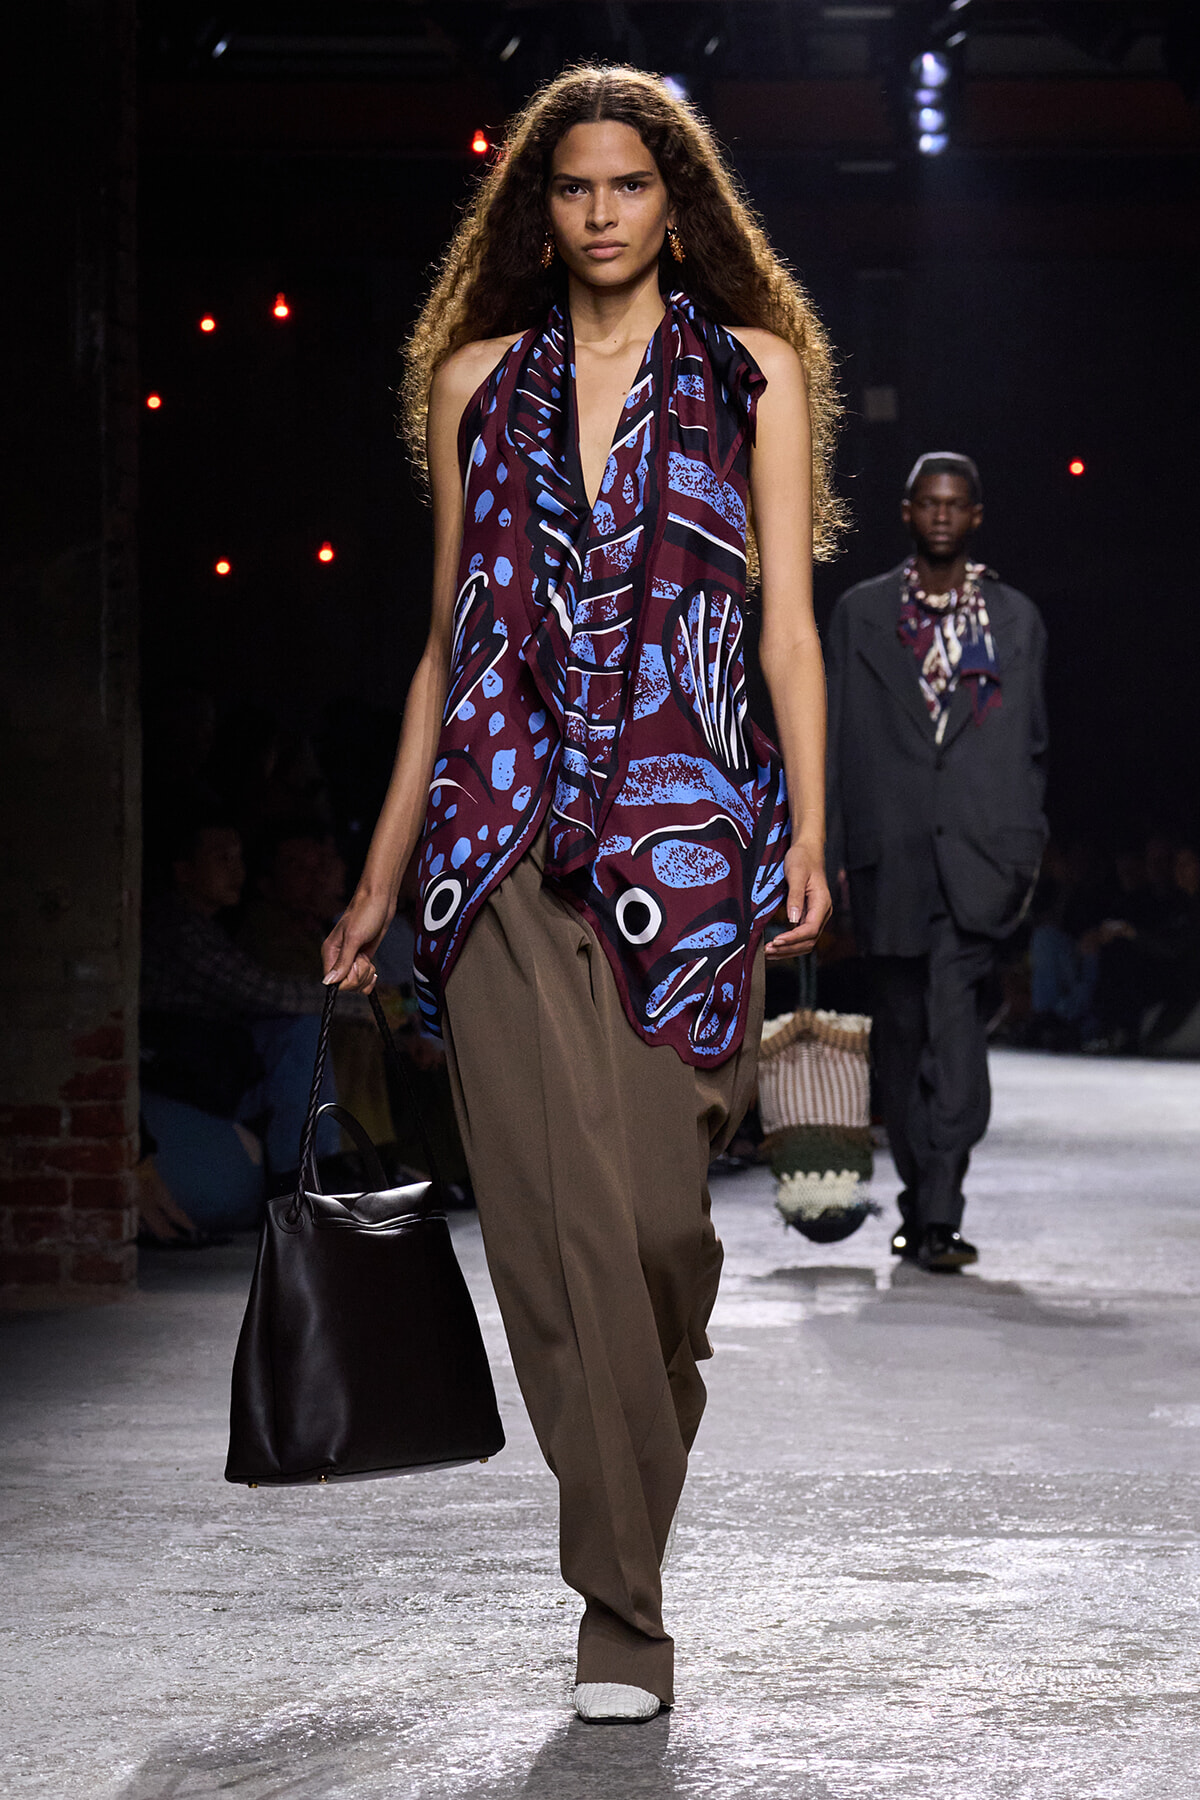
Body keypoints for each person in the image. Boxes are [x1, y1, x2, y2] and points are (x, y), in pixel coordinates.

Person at [322, 65, 840, 1723]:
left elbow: (784, 632)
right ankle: (624, 1612)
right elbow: (445, 649)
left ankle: (627, 1495)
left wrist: (811, 833)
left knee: (653, 1239)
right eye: (571, 189)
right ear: (537, 217)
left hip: (692, 865)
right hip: (494, 859)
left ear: (675, 205)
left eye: (627, 185)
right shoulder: (478, 381)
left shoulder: (756, 373)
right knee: (550, 1249)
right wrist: (382, 867)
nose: (601, 212)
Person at [825, 453, 1048, 1272]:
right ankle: (922, 1202)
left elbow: (1030, 743)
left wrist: (1023, 850)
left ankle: (940, 1214)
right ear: (908, 511)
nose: (944, 515)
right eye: (930, 502)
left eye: (957, 504)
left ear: (976, 515)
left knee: (954, 1041)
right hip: (890, 857)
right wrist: (828, 851)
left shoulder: (1015, 621)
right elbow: (835, 734)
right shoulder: (862, 613)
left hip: (980, 857)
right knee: (900, 1041)